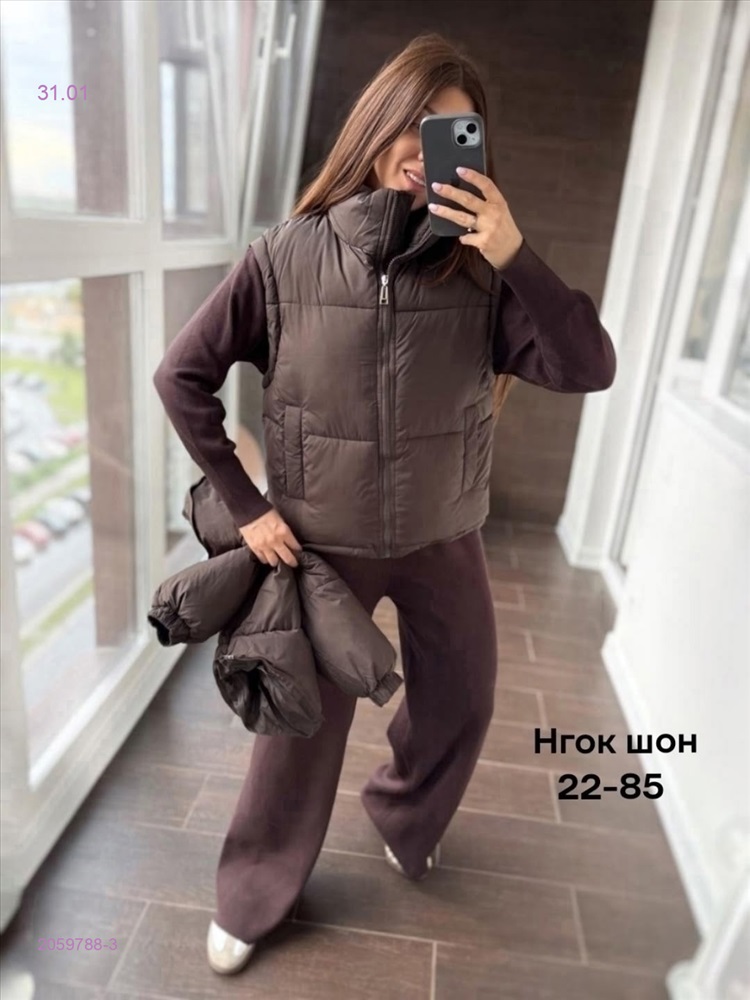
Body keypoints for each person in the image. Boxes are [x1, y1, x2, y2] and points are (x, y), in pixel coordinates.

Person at [153, 32, 616, 975]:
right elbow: (181, 376)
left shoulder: (480, 272)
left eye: (452, 133)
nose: (424, 148)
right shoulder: (284, 257)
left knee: (464, 703)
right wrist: (247, 505)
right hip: (321, 545)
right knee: (299, 731)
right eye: (416, 123)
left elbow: (587, 367)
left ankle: (405, 814)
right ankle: (253, 893)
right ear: (377, 123)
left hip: (446, 536)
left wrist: (515, 253)